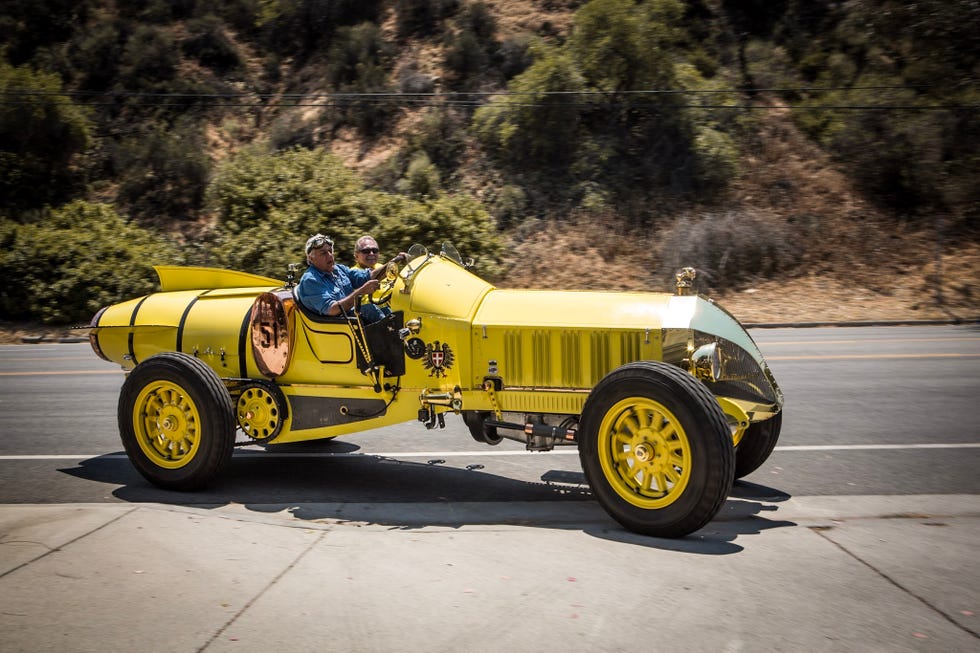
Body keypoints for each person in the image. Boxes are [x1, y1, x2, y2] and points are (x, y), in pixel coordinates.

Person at [296, 233, 404, 324]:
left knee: (388, 310)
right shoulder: (311, 280)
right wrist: (361, 292)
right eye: (324, 253)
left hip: (352, 320)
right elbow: (332, 309)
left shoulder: (338, 269)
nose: (330, 256)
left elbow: (367, 277)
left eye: (330, 251)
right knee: (369, 310)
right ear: (311, 258)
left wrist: (395, 261)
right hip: (337, 326)